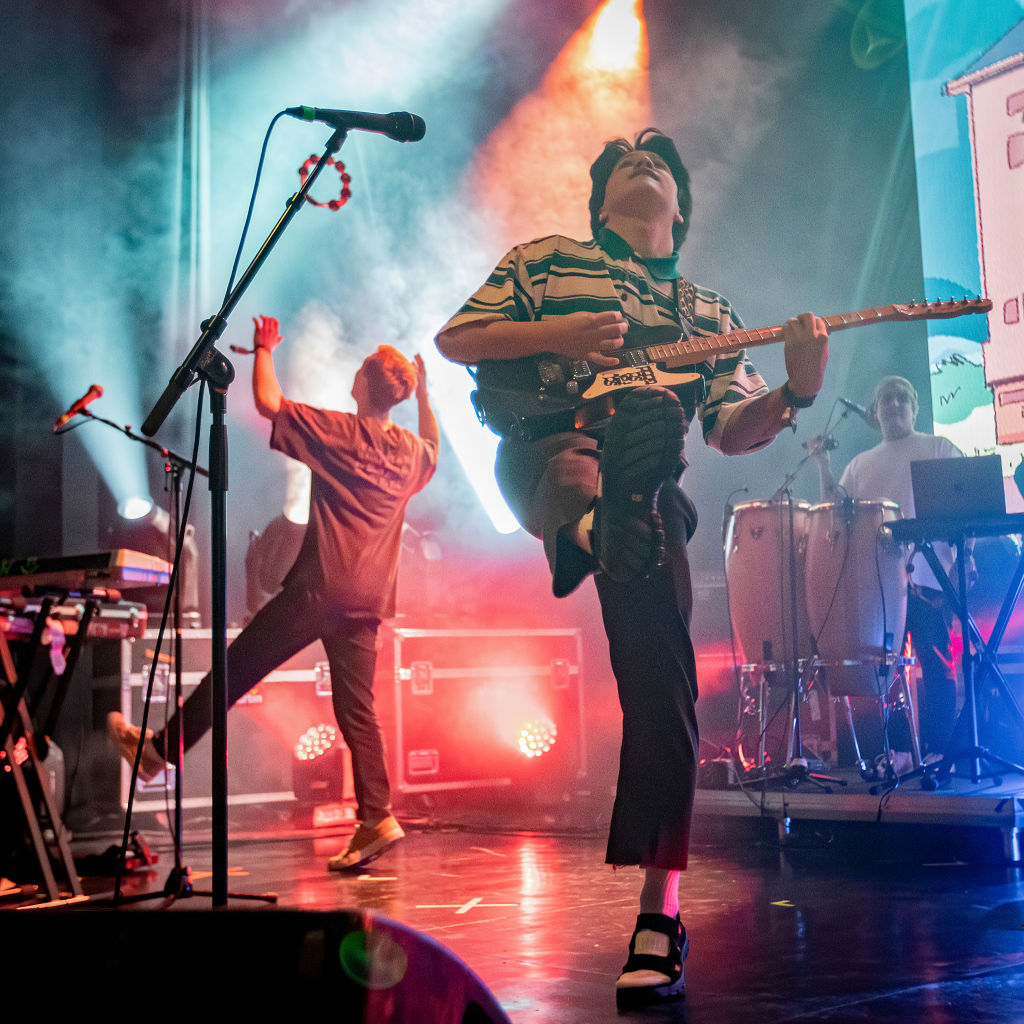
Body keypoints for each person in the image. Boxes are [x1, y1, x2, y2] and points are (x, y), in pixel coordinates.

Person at [435, 128, 830, 1007]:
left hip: (649, 482)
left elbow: (730, 430)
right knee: (572, 469)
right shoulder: (548, 260)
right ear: (600, 200)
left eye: (660, 166)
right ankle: (590, 524)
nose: (645, 167)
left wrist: (794, 393)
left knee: (663, 686)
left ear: (680, 207)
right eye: (625, 164)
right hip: (550, 442)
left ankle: (661, 910)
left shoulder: (713, 315)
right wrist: (561, 330)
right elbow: (456, 337)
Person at [109, 315, 439, 871]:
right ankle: (376, 815)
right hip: (367, 600)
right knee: (359, 712)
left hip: (319, 588)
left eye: (359, 369)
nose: (353, 374)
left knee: (236, 668)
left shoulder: (342, 432)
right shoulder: (410, 453)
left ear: (365, 384)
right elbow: (432, 442)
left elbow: (268, 402)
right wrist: (426, 395)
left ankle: (159, 752)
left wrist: (264, 349)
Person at [809, 374, 971, 762]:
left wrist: (966, 557)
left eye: (902, 398)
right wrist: (822, 463)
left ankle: (936, 752)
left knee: (936, 665)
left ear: (914, 407)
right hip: (878, 588)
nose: (895, 404)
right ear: (875, 411)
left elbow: (966, 503)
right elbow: (835, 510)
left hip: (930, 577)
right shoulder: (861, 464)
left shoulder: (939, 447)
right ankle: (897, 750)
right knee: (885, 670)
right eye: (886, 399)